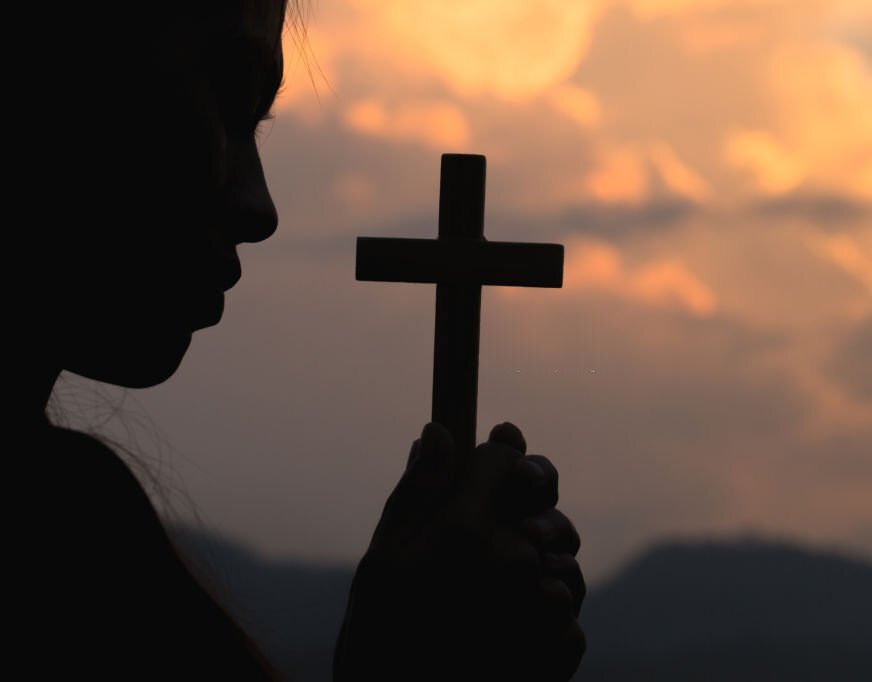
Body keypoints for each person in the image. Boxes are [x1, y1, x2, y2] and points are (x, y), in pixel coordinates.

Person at [15, 1, 585, 679]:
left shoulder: (72, 526)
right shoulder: (52, 549)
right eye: (225, 98)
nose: (261, 208)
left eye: (258, 122)